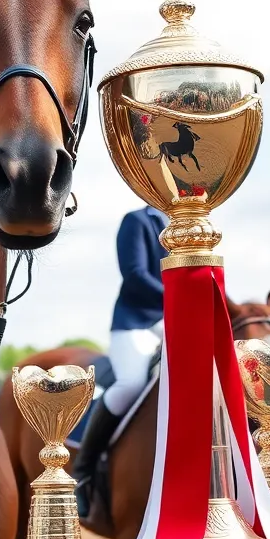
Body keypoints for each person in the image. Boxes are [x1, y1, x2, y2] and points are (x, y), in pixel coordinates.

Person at [71, 205, 168, 518]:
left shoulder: (193, 224)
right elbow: (135, 275)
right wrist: (181, 294)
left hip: (176, 321)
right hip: (137, 324)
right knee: (131, 384)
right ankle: (83, 470)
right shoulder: (137, 221)